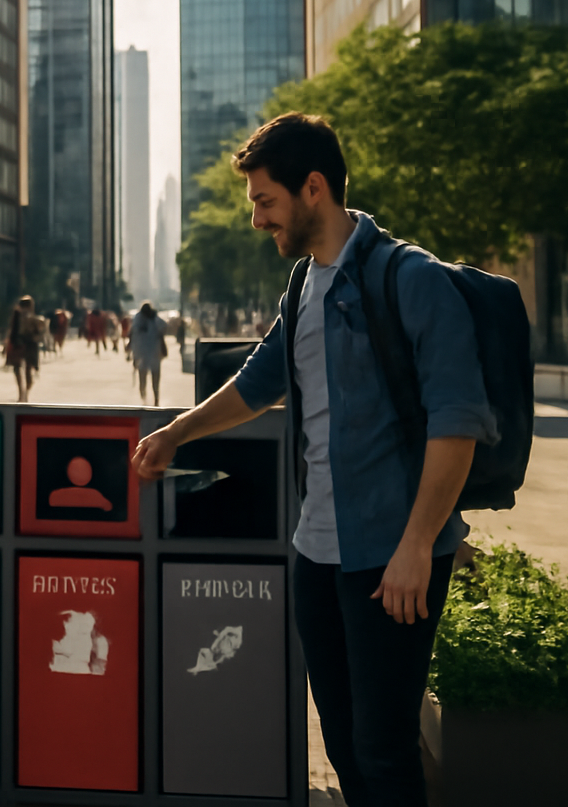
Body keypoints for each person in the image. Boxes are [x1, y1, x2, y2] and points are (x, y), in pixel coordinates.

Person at [132, 113, 495, 807]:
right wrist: (178, 432)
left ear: (314, 189)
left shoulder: (410, 279)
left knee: (383, 750)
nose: (257, 219)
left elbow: (459, 421)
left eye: (265, 202)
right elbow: (257, 384)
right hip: (317, 553)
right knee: (341, 740)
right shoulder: (303, 287)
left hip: (393, 556)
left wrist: (418, 544)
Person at [129, 301, 169, 405]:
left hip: (148, 353)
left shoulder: (153, 319)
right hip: (149, 353)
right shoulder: (143, 319)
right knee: (151, 378)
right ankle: (148, 398)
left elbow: (132, 335)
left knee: (148, 377)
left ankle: (151, 399)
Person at [6, 295, 43, 402]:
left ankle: (21, 392)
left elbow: (11, 330)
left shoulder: (16, 315)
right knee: (28, 370)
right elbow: (39, 332)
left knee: (18, 369)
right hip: (29, 345)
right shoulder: (31, 317)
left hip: (18, 344)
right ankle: (25, 392)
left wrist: (8, 345)